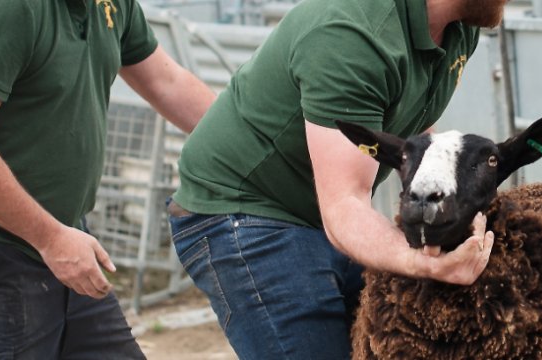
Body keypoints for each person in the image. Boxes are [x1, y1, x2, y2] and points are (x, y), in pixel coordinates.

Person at [167, 0, 509, 356]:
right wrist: (424, 262)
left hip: (322, 206)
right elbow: (344, 202)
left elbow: (417, 124)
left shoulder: (460, 22)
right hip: (245, 208)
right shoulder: (353, 37)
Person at [0, 0, 215, 358]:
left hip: (61, 235)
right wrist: (51, 239)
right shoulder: (5, 8)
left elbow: (167, 82)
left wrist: (252, 144)